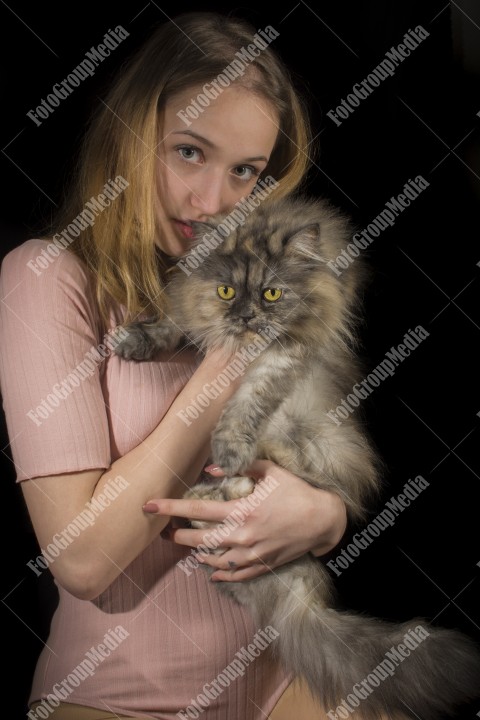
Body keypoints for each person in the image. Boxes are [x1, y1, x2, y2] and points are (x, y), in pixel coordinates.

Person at [0, 11, 350, 719]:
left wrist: (325, 516)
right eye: (189, 152)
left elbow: (313, 455)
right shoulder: (46, 278)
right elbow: (84, 560)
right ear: (132, 134)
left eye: (245, 171)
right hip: (124, 699)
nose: (213, 203)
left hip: (281, 676)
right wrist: (228, 361)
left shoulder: (248, 277)